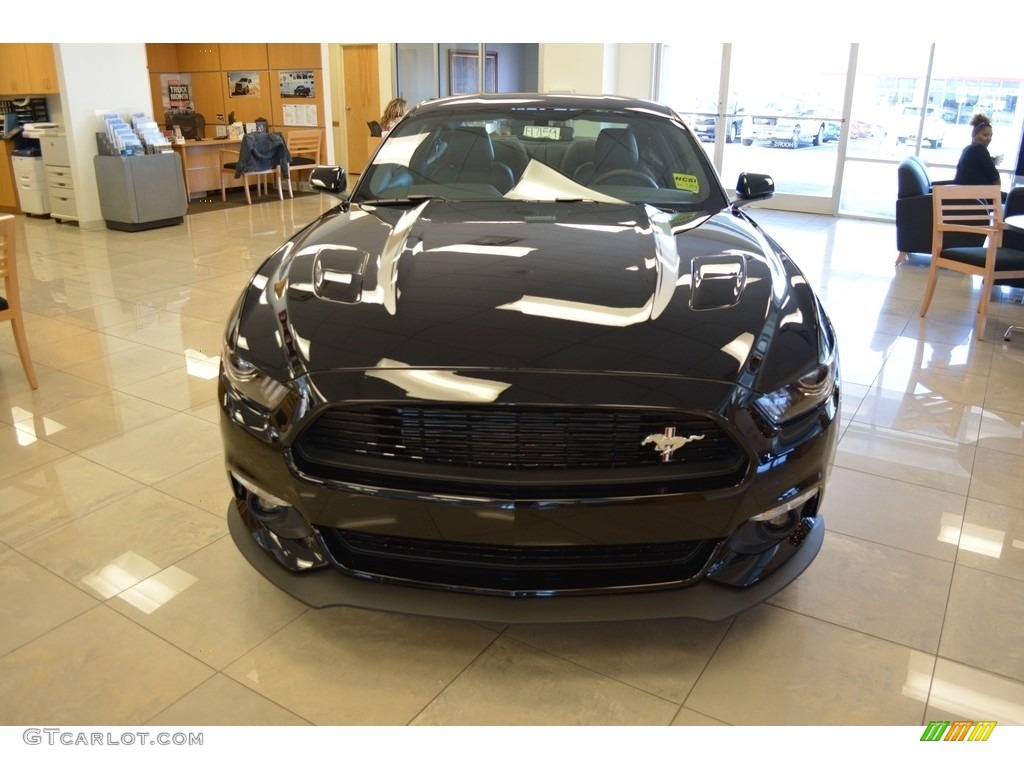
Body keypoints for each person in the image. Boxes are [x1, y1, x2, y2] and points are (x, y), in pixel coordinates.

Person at [954, 113, 1003, 185]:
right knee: (1014, 194)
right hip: (975, 194)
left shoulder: (967, 149)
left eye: (990, 135)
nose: (989, 139)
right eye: (985, 135)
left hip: (964, 192)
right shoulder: (980, 149)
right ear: (974, 135)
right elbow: (995, 178)